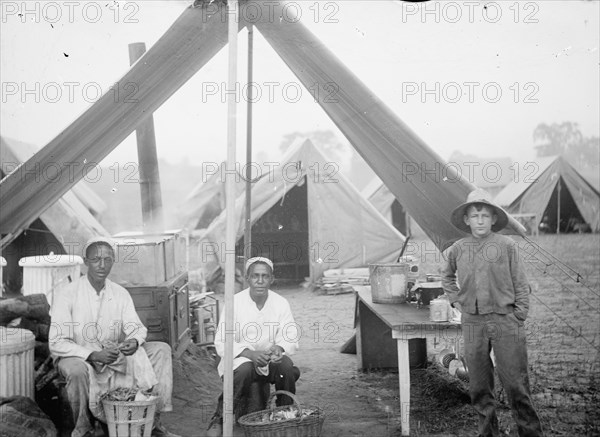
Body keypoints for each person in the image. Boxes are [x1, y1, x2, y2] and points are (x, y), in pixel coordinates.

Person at [49, 236, 180, 437]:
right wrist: (92, 355)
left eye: (108, 259)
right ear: (86, 261)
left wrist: (134, 341)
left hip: (112, 354)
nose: (102, 265)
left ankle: (152, 421)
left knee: (162, 350)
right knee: (76, 370)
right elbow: (57, 342)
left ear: (113, 262)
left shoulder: (119, 293)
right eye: (96, 259)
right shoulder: (68, 293)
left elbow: (136, 327)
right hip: (78, 356)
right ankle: (83, 428)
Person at [442, 189, 544, 437]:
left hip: (506, 320)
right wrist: (456, 301)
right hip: (473, 322)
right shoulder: (458, 248)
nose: (479, 220)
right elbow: (446, 278)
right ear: (466, 220)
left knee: (516, 384)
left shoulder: (507, 246)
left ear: (493, 219)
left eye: (485, 215)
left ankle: (530, 433)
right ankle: (488, 433)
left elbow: (521, 282)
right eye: (475, 215)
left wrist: (519, 314)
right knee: (478, 386)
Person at [207, 257, 300, 436]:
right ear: (247, 279)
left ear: (271, 279)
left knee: (286, 367)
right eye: (255, 276)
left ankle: (285, 413)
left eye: (265, 276)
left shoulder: (280, 303)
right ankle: (219, 418)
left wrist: (279, 348)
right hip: (241, 359)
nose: (260, 280)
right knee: (244, 370)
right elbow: (222, 340)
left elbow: (290, 334)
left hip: (268, 359)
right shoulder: (234, 302)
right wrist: (249, 353)